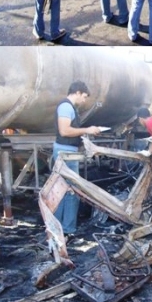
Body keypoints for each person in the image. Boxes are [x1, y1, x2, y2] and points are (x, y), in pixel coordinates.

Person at [52, 81, 102, 235]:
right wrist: (87, 129)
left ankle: (57, 226)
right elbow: (65, 131)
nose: (84, 100)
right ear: (78, 92)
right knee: (72, 190)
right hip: (66, 153)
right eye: (84, 97)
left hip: (68, 151)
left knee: (62, 189)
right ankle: (67, 228)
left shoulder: (69, 107)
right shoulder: (66, 107)